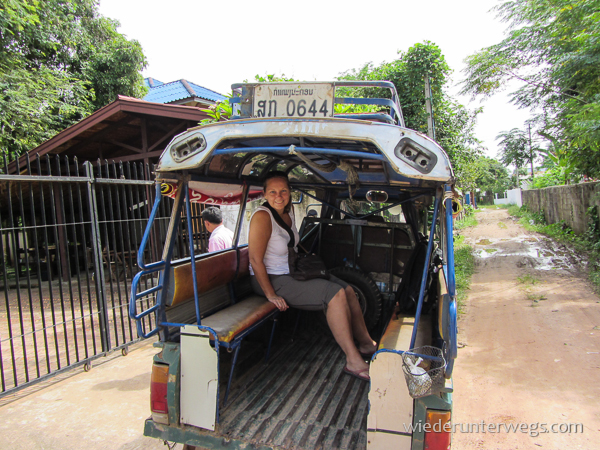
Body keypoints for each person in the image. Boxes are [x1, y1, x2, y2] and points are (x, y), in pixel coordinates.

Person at [248, 172, 377, 381]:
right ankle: (353, 360)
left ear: (290, 192)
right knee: (334, 294)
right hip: (271, 279)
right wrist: (270, 294)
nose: (278, 196)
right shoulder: (263, 216)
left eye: (283, 191)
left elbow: (294, 245)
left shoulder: (286, 214)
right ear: (264, 193)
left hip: (292, 271)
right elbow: (255, 259)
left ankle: (366, 344)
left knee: (348, 290)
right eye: (272, 191)